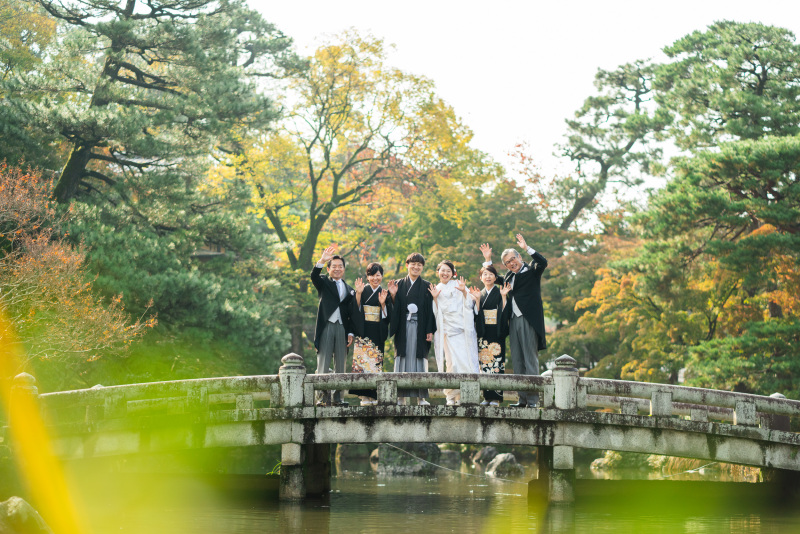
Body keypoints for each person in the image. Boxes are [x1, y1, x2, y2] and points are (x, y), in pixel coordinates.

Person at [482, 234, 548, 407]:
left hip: (529, 321)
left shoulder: (533, 271)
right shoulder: (509, 278)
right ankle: (522, 399)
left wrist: (527, 247)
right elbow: (493, 278)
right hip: (514, 321)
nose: (511, 263)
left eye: (513, 259)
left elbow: (543, 262)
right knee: (518, 361)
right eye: (507, 263)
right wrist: (488, 260)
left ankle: (533, 400)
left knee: (530, 361)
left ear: (519, 257)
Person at [388, 253, 436, 406]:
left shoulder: (427, 285)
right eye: (413, 264)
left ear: (422, 267)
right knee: (401, 359)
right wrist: (393, 295)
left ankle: (421, 398)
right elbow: (393, 307)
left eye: (419, 265)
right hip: (403, 328)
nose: (416, 267)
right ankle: (400, 397)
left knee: (419, 360)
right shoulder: (398, 284)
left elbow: (430, 310)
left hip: (420, 328)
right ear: (407, 265)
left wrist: (430, 330)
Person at [429, 260, 480, 406]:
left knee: (465, 362)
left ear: (453, 273)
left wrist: (464, 292)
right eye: (442, 270)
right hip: (447, 333)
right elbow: (436, 313)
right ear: (438, 272)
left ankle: (466, 395)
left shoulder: (459, 285)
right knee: (452, 365)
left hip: (462, 332)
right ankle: (451, 395)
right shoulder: (436, 289)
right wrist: (434, 298)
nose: (445, 273)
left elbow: (469, 305)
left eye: (448, 271)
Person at [311, 245, 355, 406]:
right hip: (327, 325)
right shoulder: (323, 283)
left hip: (343, 328)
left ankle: (338, 398)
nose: (337, 269)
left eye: (340, 266)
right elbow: (314, 275)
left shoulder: (349, 290)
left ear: (344, 269)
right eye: (334, 266)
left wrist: (350, 332)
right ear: (328, 269)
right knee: (323, 363)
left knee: (341, 364)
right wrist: (322, 260)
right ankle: (322, 398)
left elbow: (351, 314)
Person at [350, 263, 393, 406]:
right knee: (362, 364)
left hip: (377, 331)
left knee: (375, 363)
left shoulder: (384, 292)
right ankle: (364, 397)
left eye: (378, 275)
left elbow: (388, 316)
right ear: (367, 277)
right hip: (363, 331)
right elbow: (355, 310)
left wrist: (382, 304)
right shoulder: (362, 290)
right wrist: (358, 293)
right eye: (372, 275)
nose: (376, 278)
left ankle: (374, 396)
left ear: (382, 276)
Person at [469, 258, 510, 407]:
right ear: (481, 278)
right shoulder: (479, 293)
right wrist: (478, 300)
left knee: (496, 365)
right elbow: (476, 313)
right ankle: (487, 397)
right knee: (484, 366)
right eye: (485, 274)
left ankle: (496, 398)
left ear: (495, 277)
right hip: (484, 332)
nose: (488, 277)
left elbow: (505, 312)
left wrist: (504, 296)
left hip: (496, 332)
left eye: (491, 274)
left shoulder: (500, 292)